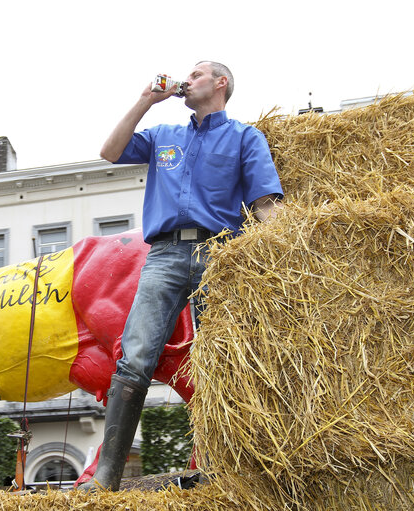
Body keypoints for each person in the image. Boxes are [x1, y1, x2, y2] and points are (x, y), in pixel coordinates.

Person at [79, 61, 283, 491]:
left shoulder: (246, 137)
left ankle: (221, 470)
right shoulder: (163, 136)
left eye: (196, 74)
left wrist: (291, 253)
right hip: (165, 255)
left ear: (220, 83)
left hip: (221, 253)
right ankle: (105, 478)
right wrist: (145, 101)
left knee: (220, 361)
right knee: (135, 354)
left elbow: (265, 204)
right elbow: (110, 151)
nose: (185, 81)